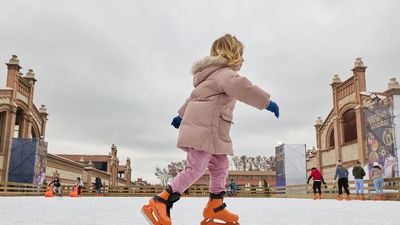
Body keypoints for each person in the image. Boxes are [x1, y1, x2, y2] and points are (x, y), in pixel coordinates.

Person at [141, 34, 279, 225]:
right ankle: (161, 200)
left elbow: (193, 98)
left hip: (214, 133)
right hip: (205, 131)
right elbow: (243, 88)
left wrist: (180, 116)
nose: (243, 59)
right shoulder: (226, 74)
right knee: (196, 167)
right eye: (241, 53)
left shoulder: (210, 76)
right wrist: (266, 102)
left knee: (220, 166)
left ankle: (215, 205)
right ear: (232, 54)